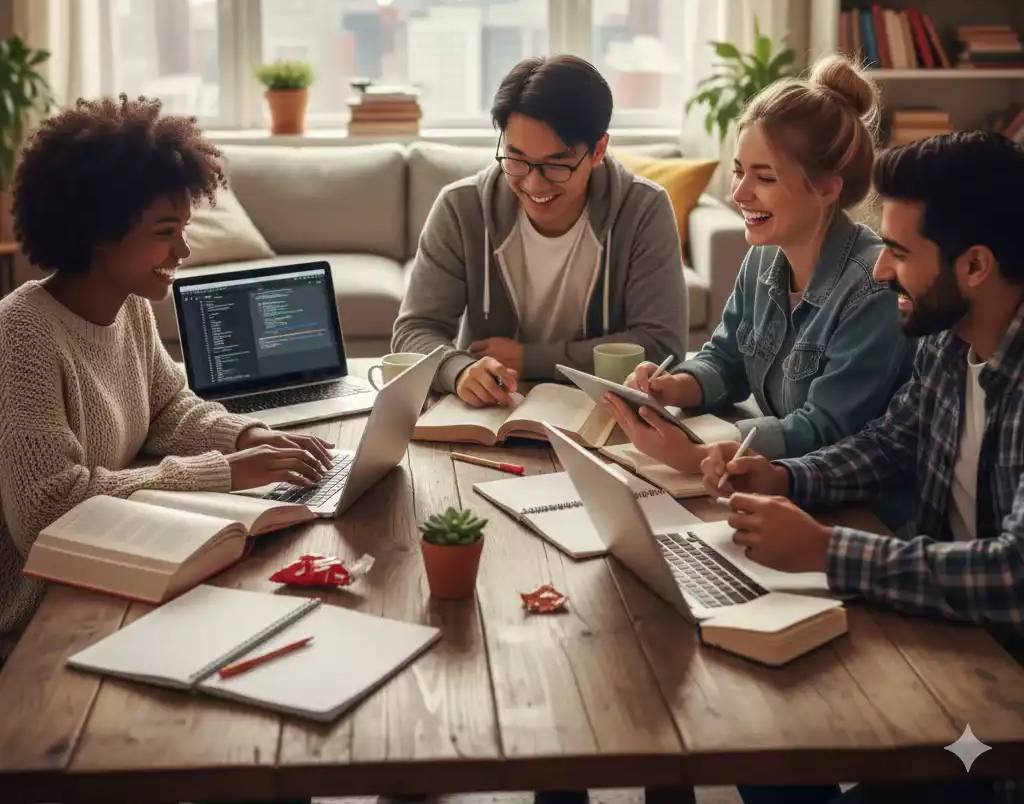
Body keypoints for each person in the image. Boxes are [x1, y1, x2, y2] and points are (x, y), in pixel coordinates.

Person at [702, 130, 1024, 804]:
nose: (880, 272)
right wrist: (786, 477)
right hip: (943, 629)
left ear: (974, 266)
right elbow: (889, 444)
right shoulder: (948, 338)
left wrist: (827, 550)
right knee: (759, 724)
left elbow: (1014, 575)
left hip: (1000, 690)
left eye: (900, 253)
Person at [0, 95, 334, 661]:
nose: (182, 249)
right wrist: (221, 472)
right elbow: (48, 511)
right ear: (98, 232)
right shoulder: (20, 336)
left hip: (122, 555)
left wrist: (245, 438)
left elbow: (169, 407)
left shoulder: (127, 304)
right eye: (164, 231)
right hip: (47, 606)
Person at [603, 55, 912, 478]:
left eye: (764, 178)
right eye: (738, 172)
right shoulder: (765, 255)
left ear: (826, 189)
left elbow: (826, 429)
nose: (739, 194)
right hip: (769, 478)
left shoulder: (873, 289)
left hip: (847, 507)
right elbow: (725, 359)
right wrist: (673, 385)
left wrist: (702, 454)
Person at [392, 54, 687, 407]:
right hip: (494, 411)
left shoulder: (643, 210)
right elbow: (413, 331)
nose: (534, 183)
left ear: (598, 150)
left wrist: (531, 359)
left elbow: (663, 345)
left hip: (600, 410)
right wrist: (458, 370)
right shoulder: (461, 208)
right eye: (516, 158)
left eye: (556, 163)